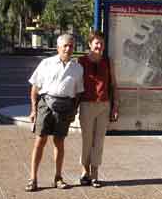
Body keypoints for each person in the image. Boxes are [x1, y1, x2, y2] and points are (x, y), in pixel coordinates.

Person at [25, 34, 84, 192]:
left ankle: (58, 177)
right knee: (40, 141)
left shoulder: (77, 68)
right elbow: (35, 88)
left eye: (71, 46)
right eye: (65, 45)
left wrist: (74, 110)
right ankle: (33, 178)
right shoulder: (46, 63)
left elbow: (78, 93)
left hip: (65, 107)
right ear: (58, 48)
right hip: (45, 105)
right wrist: (33, 109)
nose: (68, 48)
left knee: (59, 142)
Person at [77, 30, 119, 188]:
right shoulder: (81, 61)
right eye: (96, 43)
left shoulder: (108, 61)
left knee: (99, 141)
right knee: (86, 140)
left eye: (101, 43)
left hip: (104, 105)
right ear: (90, 44)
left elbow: (114, 84)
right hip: (87, 104)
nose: (99, 46)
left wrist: (115, 105)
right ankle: (84, 172)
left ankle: (95, 174)